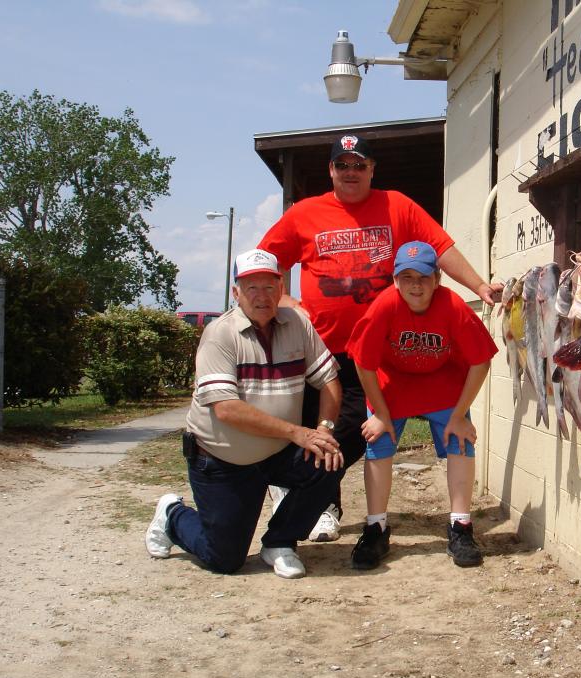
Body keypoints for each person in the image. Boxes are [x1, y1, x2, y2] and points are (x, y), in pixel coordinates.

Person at [258, 133, 502, 544]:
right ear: (331, 170)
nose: (351, 172)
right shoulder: (304, 213)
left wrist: (479, 285)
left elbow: (439, 248)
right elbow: (268, 260)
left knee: (355, 432)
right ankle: (324, 506)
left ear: (372, 169)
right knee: (320, 425)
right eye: (343, 165)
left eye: (360, 165)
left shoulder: (397, 205)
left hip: (381, 350)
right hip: (323, 347)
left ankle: (321, 500)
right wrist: (283, 297)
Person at [144, 248, 345, 579]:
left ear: (281, 289)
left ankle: (280, 542)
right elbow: (227, 410)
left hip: (276, 454)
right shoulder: (219, 334)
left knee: (330, 456)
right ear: (236, 293)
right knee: (224, 558)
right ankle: (172, 515)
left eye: (269, 286)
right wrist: (298, 433)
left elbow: (329, 380)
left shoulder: (298, 324)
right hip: (223, 462)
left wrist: (323, 428)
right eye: (251, 288)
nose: (261, 296)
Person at [346, 241, 499, 569]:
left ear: (437, 279)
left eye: (424, 277)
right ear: (395, 280)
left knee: (460, 438)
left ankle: (460, 525)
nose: (416, 285)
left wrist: (459, 416)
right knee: (377, 439)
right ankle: (376, 528)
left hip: (441, 379)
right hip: (394, 381)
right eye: (407, 277)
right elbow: (363, 362)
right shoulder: (385, 305)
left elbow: (481, 361)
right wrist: (380, 413)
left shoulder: (452, 305)